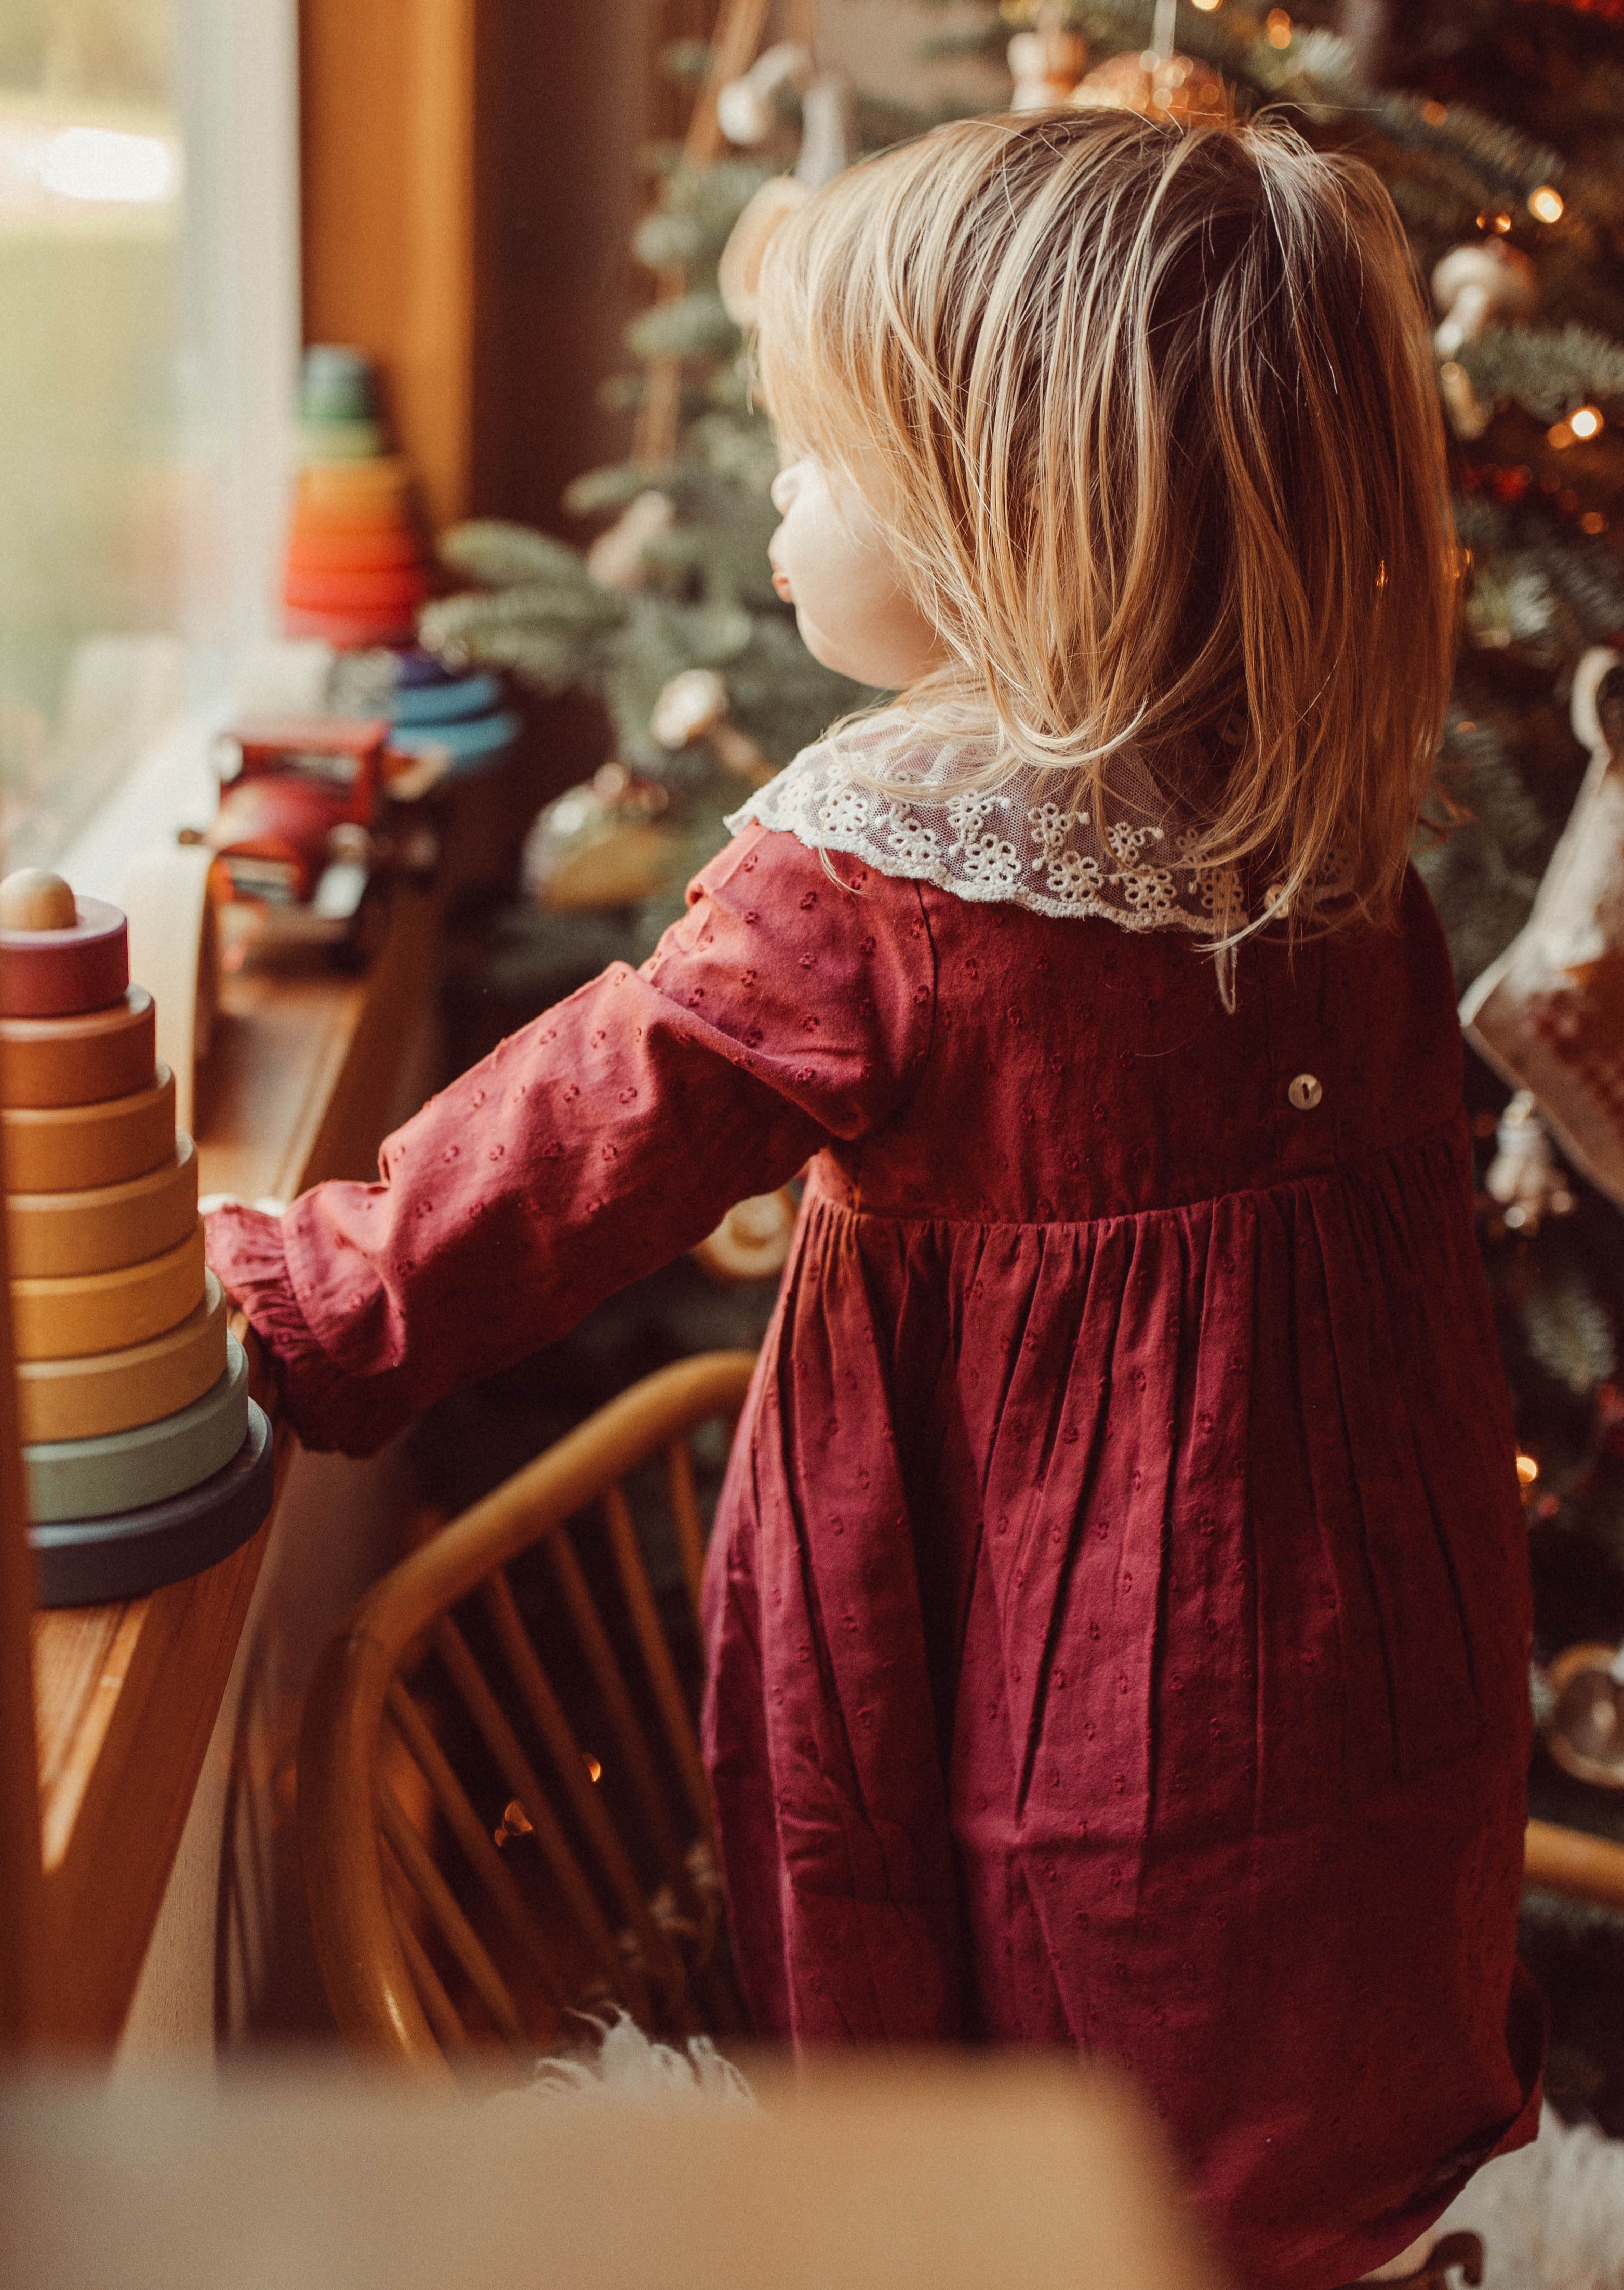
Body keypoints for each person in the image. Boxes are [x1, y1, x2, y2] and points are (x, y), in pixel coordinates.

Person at [208, 112, 1542, 2290]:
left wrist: (309, 1298)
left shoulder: (892, 871)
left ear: (1004, 521)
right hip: (1372, 1654)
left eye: (818, 467)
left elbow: (584, 1127)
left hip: (1051, 1649)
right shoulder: (1324, 834)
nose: (777, 517)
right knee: (1289, 2077)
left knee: (1043, 2026)